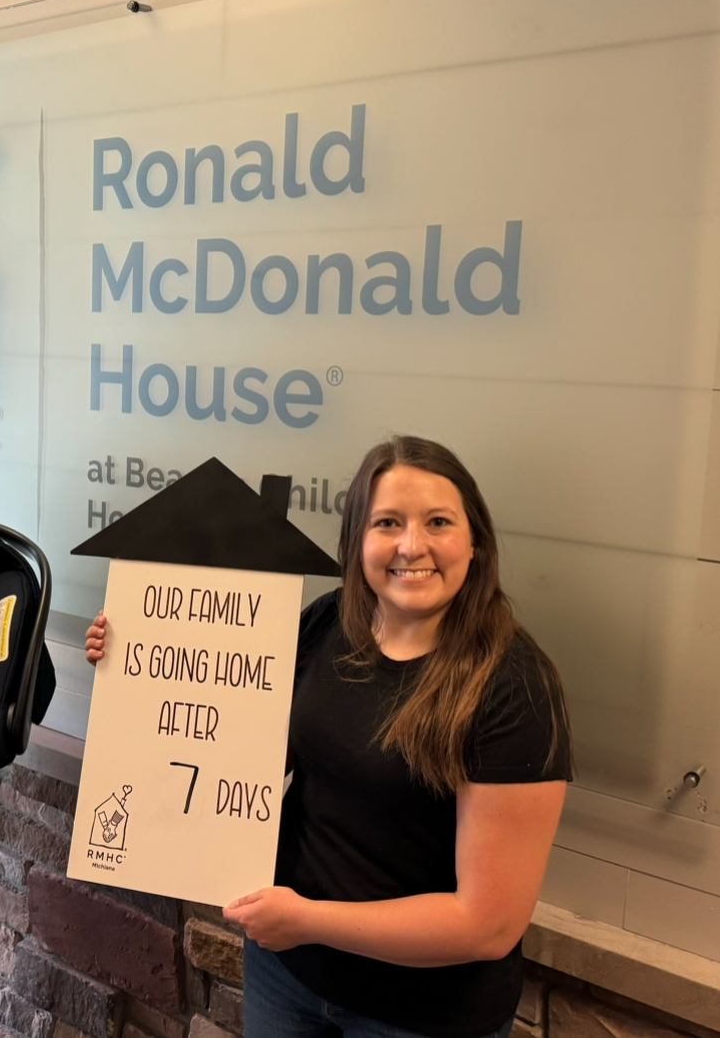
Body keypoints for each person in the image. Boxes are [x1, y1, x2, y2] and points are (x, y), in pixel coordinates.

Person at [85, 436, 571, 1038]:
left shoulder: (514, 687)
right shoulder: (330, 620)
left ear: (475, 543)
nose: (412, 545)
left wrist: (309, 921)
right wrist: (137, 661)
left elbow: (488, 924)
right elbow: (237, 741)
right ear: (357, 542)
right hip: (288, 977)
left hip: (421, 1015)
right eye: (387, 522)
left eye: (438, 522)